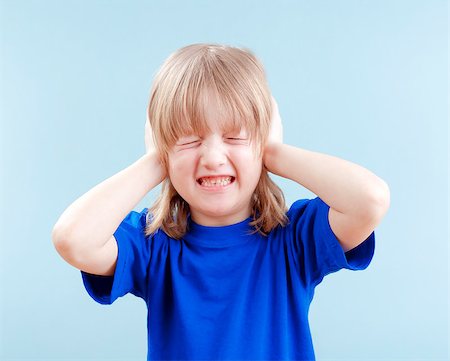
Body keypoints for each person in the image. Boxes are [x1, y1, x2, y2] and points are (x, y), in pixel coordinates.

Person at [51, 43, 390, 360]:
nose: (213, 157)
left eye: (234, 137)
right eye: (189, 139)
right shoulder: (151, 245)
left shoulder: (294, 239)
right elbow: (73, 238)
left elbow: (370, 200)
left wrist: (273, 153)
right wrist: (156, 161)